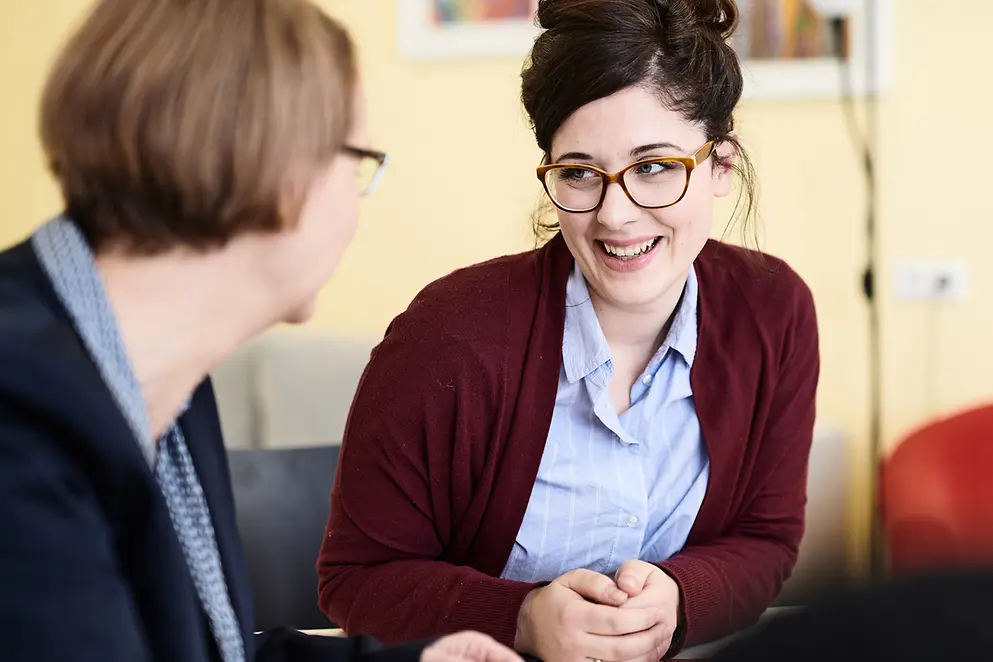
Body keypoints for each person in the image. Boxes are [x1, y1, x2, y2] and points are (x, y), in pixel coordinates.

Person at [0, 1, 522, 662]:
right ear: (283, 172)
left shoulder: (170, 388)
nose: (355, 205)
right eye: (355, 161)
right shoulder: (20, 420)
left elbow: (198, 649)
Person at [317, 0, 819, 660]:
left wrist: (677, 597)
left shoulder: (773, 312)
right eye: (579, 173)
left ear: (720, 165)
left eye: (653, 167)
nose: (615, 215)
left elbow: (765, 540)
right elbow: (356, 582)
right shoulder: (446, 336)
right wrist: (520, 617)